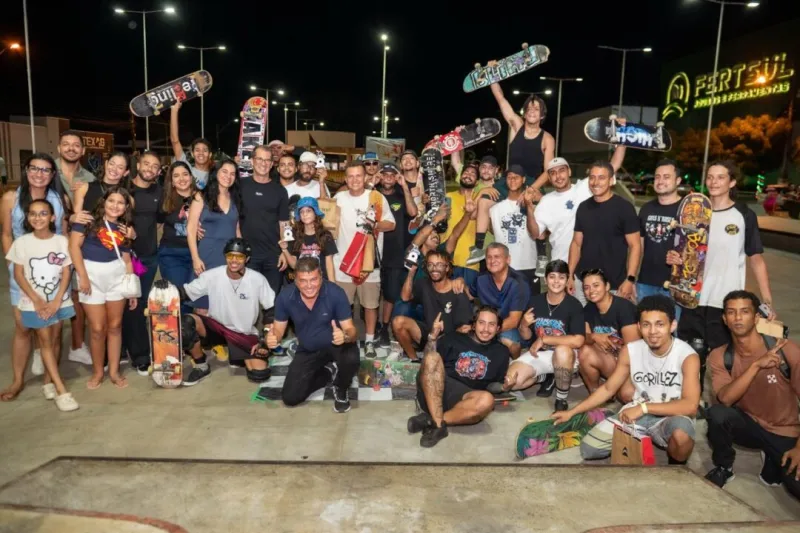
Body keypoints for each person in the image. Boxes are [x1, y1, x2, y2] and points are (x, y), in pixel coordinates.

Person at [551, 295, 700, 465]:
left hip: (671, 415)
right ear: (638, 326)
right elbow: (608, 388)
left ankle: (676, 468)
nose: (652, 331)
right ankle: (639, 436)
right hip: (637, 414)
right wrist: (572, 412)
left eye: (660, 324)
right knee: (589, 449)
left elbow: (690, 406)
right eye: (646, 325)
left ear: (672, 325)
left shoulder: (687, 356)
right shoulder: (631, 350)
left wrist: (643, 408)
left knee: (682, 437)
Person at [670, 160, 775, 394]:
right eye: (710, 177)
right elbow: (683, 252)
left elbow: (756, 258)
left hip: (725, 302)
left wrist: (766, 300)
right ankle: (692, 402)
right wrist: (675, 259)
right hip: (694, 298)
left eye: (720, 177)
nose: (713, 182)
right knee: (693, 355)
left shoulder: (743, 215)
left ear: (732, 182)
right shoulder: (694, 214)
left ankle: (724, 406)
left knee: (725, 359)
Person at [703, 290, 800, 497]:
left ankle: (773, 460)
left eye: (745, 311)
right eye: (731, 312)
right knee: (717, 414)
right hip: (749, 425)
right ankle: (724, 467)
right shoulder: (720, 356)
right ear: (725, 319)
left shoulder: (786, 349)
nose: (738, 317)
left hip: (785, 431)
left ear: (756, 317)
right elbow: (726, 399)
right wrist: (756, 365)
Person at [1, 154, 69, 401]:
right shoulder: (11, 198)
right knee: (23, 327)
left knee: (54, 327)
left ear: (52, 175)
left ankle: (49, 380)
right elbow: (7, 234)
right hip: (22, 271)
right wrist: (12, 262)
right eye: (35, 168)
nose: (39, 174)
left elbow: (62, 233)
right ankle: (18, 380)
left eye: (46, 170)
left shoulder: (57, 200)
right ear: (26, 170)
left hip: (52, 271)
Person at [466, 83, 555, 265]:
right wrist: (492, 79)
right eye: (529, 108)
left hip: (531, 181)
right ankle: (478, 246)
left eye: (536, 109)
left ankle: (541, 255)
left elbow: (548, 171)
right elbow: (501, 99)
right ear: (524, 112)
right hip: (510, 178)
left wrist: (532, 190)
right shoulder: (516, 126)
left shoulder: (547, 138)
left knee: (539, 208)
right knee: (484, 200)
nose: (532, 111)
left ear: (542, 115)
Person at [5, 199, 78, 411]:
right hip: (34, 302)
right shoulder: (22, 243)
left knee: (55, 339)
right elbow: (18, 274)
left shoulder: (61, 241)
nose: (38, 218)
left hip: (58, 300)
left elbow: (66, 271)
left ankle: (48, 381)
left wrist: (57, 300)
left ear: (52, 217)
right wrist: (38, 301)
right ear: (27, 218)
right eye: (33, 214)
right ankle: (62, 390)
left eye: (43, 213)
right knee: (45, 341)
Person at [172, 238, 276, 386]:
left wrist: (265, 340)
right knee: (185, 323)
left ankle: (238, 356)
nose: (234, 260)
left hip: (243, 332)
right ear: (225, 256)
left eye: (239, 256)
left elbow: (271, 310)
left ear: (247, 259)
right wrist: (167, 289)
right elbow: (185, 292)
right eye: (230, 256)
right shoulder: (212, 275)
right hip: (216, 327)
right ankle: (201, 364)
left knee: (259, 375)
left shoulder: (257, 279)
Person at [407, 306, 511, 448]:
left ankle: (433, 421)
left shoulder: (502, 352)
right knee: (432, 358)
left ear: (498, 328)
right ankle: (437, 423)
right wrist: (432, 337)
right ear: (473, 325)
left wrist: (503, 386)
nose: (486, 329)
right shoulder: (454, 338)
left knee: (487, 400)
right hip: (435, 387)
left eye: (491, 324)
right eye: (481, 322)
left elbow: (491, 386)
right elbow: (427, 361)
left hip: (463, 401)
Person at [268, 257, 360, 413]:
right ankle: (328, 372)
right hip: (309, 349)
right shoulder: (285, 296)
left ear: (321, 277)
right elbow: (277, 330)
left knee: (351, 357)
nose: (309, 286)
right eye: (303, 281)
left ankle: (341, 388)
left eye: (314, 279)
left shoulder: (335, 293)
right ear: (295, 280)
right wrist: (272, 338)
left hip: (336, 344)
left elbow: (351, 330)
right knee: (290, 398)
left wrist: (344, 336)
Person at [69, 186, 137, 390]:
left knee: (115, 326)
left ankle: (114, 371)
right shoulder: (87, 221)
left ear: (125, 208)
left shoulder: (125, 229)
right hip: (91, 279)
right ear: (103, 202)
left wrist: (131, 289)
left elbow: (126, 259)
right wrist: (82, 277)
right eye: (111, 201)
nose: (115, 206)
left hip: (117, 279)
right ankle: (99, 371)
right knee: (97, 328)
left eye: (120, 203)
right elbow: (73, 248)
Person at [501, 259, 584, 411]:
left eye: (561, 277)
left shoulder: (574, 305)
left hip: (567, 357)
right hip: (540, 354)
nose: (556, 281)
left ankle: (561, 399)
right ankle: (545, 376)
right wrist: (524, 325)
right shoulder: (535, 301)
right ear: (545, 279)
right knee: (513, 381)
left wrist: (545, 339)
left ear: (567, 280)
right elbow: (526, 337)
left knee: (562, 350)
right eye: (552, 276)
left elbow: (578, 340)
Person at [332, 161, 396, 358]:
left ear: (365, 177)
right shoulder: (339, 198)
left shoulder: (376, 198)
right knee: (343, 306)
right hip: (343, 262)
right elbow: (329, 224)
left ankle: (369, 342)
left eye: (358, 176)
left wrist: (375, 224)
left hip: (369, 262)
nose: (354, 180)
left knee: (370, 305)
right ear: (345, 179)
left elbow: (391, 224)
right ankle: (345, 339)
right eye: (350, 176)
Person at [527, 151, 625, 264]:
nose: (558, 176)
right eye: (553, 173)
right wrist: (529, 208)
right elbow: (535, 233)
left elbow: (613, 166)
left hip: (589, 263)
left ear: (569, 171)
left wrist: (621, 143)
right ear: (549, 177)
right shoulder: (545, 201)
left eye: (561, 171)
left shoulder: (584, 188)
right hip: (561, 264)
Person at [568, 160, 641, 304]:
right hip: (583, 285)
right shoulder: (583, 208)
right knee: (582, 326)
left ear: (611, 180)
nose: (595, 182)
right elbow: (576, 243)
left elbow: (635, 246)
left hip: (613, 286)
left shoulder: (624, 208)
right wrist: (570, 275)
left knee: (610, 326)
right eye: (592, 177)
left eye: (601, 177)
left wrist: (630, 279)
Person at [55, 130, 96, 365]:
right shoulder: (47, 174)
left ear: (82, 150)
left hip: (77, 243)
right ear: (59, 148)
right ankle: (43, 348)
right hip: (51, 243)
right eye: (66, 144)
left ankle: (77, 345)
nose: (71, 148)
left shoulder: (89, 178)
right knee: (50, 294)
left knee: (77, 295)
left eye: (76, 145)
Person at [122, 151, 163, 375]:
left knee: (138, 304)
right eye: (146, 163)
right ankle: (133, 352)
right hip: (124, 258)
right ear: (138, 165)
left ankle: (137, 352)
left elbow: (165, 218)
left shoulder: (159, 191)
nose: (149, 168)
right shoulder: (124, 189)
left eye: (154, 166)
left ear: (158, 171)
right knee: (125, 305)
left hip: (148, 257)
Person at [393, 249, 473, 361]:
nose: (434, 268)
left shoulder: (457, 289)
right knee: (398, 322)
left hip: (450, 340)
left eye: (439, 265)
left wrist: (445, 339)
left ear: (447, 267)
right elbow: (405, 297)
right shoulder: (424, 283)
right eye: (430, 265)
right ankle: (415, 360)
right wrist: (411, 273)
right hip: (429, 334)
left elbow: (465, 327)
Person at [578, 269, 641, 401]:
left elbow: (634, 351)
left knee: (626, 395)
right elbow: (584, 336)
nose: (591, 291)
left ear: (607, 286)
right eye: (586, 288)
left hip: (630, 365)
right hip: (609, 360)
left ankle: (614, 389)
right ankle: (596, 396)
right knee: (584, 351)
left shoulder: (624, 308)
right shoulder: (588, 309)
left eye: (596, 285)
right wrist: (594, 336)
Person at [187, 159, 242, 313]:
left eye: (232, 173)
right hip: (206, 258)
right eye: (224, 171)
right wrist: (195, 258)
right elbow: (191, 229)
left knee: (226, 310)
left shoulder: (236, 198)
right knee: (202, 310)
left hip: (230, 260)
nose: (228, 176)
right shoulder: (201, 196)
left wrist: (242, 256)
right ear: (215, 173)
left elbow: (237, 229)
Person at [238, 145, 290, 299]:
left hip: (273, 256)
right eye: (260, 159)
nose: (264, 163)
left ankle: (270, 324)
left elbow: (284, 223)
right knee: (245, 300)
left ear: (272, 164)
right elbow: (230, 215)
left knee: (271, 302)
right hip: (247, 255)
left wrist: (284, 252)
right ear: (252, 161)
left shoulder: (280, 190)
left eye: (268, 160)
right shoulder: (240, 185)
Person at [376, 162, 418, 347]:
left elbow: (413, 212)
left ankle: (384, 328)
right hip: (372, 251)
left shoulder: (401, 194)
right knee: (371, 293)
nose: (387, 177)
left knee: (390, 295)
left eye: (391, 175)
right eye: (384, 174)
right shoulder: (373, 194)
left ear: (396, 177)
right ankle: (372, 327)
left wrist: (405, 187)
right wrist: (372, 182)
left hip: (394, 253)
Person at [636, 159, 683, 322]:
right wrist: (632, 279)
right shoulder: (646, 208)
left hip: (675, 286)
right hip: (645, 283)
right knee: (646, 330)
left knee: (671, 332)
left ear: (678, 180)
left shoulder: (687, 210)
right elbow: (638, 248)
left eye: (666, 176)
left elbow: (699, 250)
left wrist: (682, 259)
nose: (660, 181)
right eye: (657, 177)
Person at [467, 243, 530, 358]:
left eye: (497, 257)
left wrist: (485, 331)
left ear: (508, 259)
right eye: (489, 257)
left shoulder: (519, 283)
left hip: (513, 329)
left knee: (510, 341)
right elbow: (468, 295)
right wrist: (459, 281)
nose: (492, 261)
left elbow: (513, 321)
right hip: (488, 325)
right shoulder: (481, 279)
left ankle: (515, 365)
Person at [488, 165, 539, 295]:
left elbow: (539, 233)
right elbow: (492, 230)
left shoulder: (533, 205)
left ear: (523, 179)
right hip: (504, 267)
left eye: (516, 177)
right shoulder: (495, 209)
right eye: (509, 177)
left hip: (528, 264)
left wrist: (529, 205)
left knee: (529, 309)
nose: (512, 180)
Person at [158, 161, 198, 314]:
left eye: (185, 174)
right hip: (172, 254)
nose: (181, 179)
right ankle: (180, 333)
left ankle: (189, 333)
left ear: (191, 176)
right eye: (176, 176)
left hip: (197, 255)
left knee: (194, 298)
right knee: (178, 297)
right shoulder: (165, 199)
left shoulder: (202, 197)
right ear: (172, 181)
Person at [279, 197, 337, 281]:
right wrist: (284, 249)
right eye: (301, 212)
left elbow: (329, 264)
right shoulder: (295, 235)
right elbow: (294, 265)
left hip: (321, 282)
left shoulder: (325, 235)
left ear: (315, 213)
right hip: (302, 282)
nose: (304, 214)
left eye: (308, 211)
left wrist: (333, 286)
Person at [71, 152, 132, 219]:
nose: (114, 169)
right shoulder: (83, 188)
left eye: (120, 167)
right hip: (87, 228)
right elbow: (77, 219)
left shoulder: (128, 198)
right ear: (106, 164)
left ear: (126, 172)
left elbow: (126, 222)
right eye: (112, 164)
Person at [170, 101, 213, 190]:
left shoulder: (216, 175)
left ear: (210, 154)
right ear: (192, 154)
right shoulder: (186, 169)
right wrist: (174, 111)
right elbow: (175, 141)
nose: (201, 153)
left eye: (205, 150)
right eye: (197, 150)